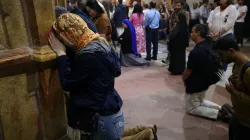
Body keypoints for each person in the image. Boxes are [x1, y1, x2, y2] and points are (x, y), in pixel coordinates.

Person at [49, 13, 124, 140]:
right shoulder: (101, 43)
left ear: (69, 35)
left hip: (102, 121)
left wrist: (61, 54)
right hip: (114, 116)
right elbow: (116, 71)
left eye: (61, 38)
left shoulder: (88, 56)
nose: (62, 41)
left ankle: (147, 133)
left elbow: (67, 83)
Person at [213, 38, 250, 140]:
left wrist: (233, 91)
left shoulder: (248, 71)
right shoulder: (236, 65)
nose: (221, 59)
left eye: (221, 55)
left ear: (231, 51)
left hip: (247, 124)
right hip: (238, 117)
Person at [183, 24, 222, 120]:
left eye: (192, 32)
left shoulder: (196, 52)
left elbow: (188, 71)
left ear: (198, 33)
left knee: (191, 108)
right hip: (206, 81)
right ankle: (221, 108)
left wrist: (184, 79)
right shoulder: (209, 45)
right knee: (200, 100)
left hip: (196, 84)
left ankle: (219, 114)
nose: (191, 34)